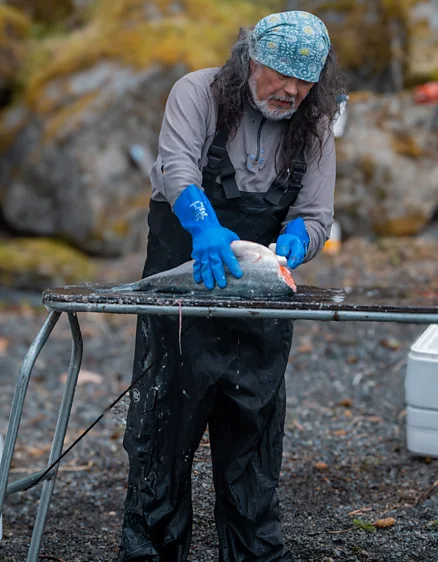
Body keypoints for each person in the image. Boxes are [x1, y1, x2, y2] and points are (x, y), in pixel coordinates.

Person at [117, 10, 344, 562]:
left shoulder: (314, 125)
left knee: (252, 431)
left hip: (260, 301)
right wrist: (204, 226)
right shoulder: (197, 92)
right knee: (163, 427)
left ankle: (251, 552)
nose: (291, 90)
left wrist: (300, 240)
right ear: (251, 60)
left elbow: (317, 214)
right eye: (280, 75)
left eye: (304, 79)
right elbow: (177, 170)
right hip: (184, 284)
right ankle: (152, 550)